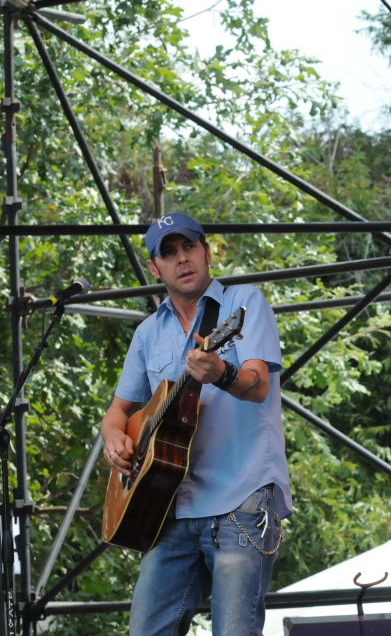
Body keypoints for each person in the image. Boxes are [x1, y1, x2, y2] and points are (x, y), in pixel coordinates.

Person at [101, 212, 291, 635]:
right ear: (155, 268)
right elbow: (117, 411)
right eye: (168, 253)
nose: (182, 259)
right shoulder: (148, 332)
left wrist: (222, 373)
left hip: (241, 498)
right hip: (170, 506)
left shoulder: (243, 304)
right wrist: (114, 438)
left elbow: (259, 385)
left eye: (189, 247)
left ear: (207, 252)